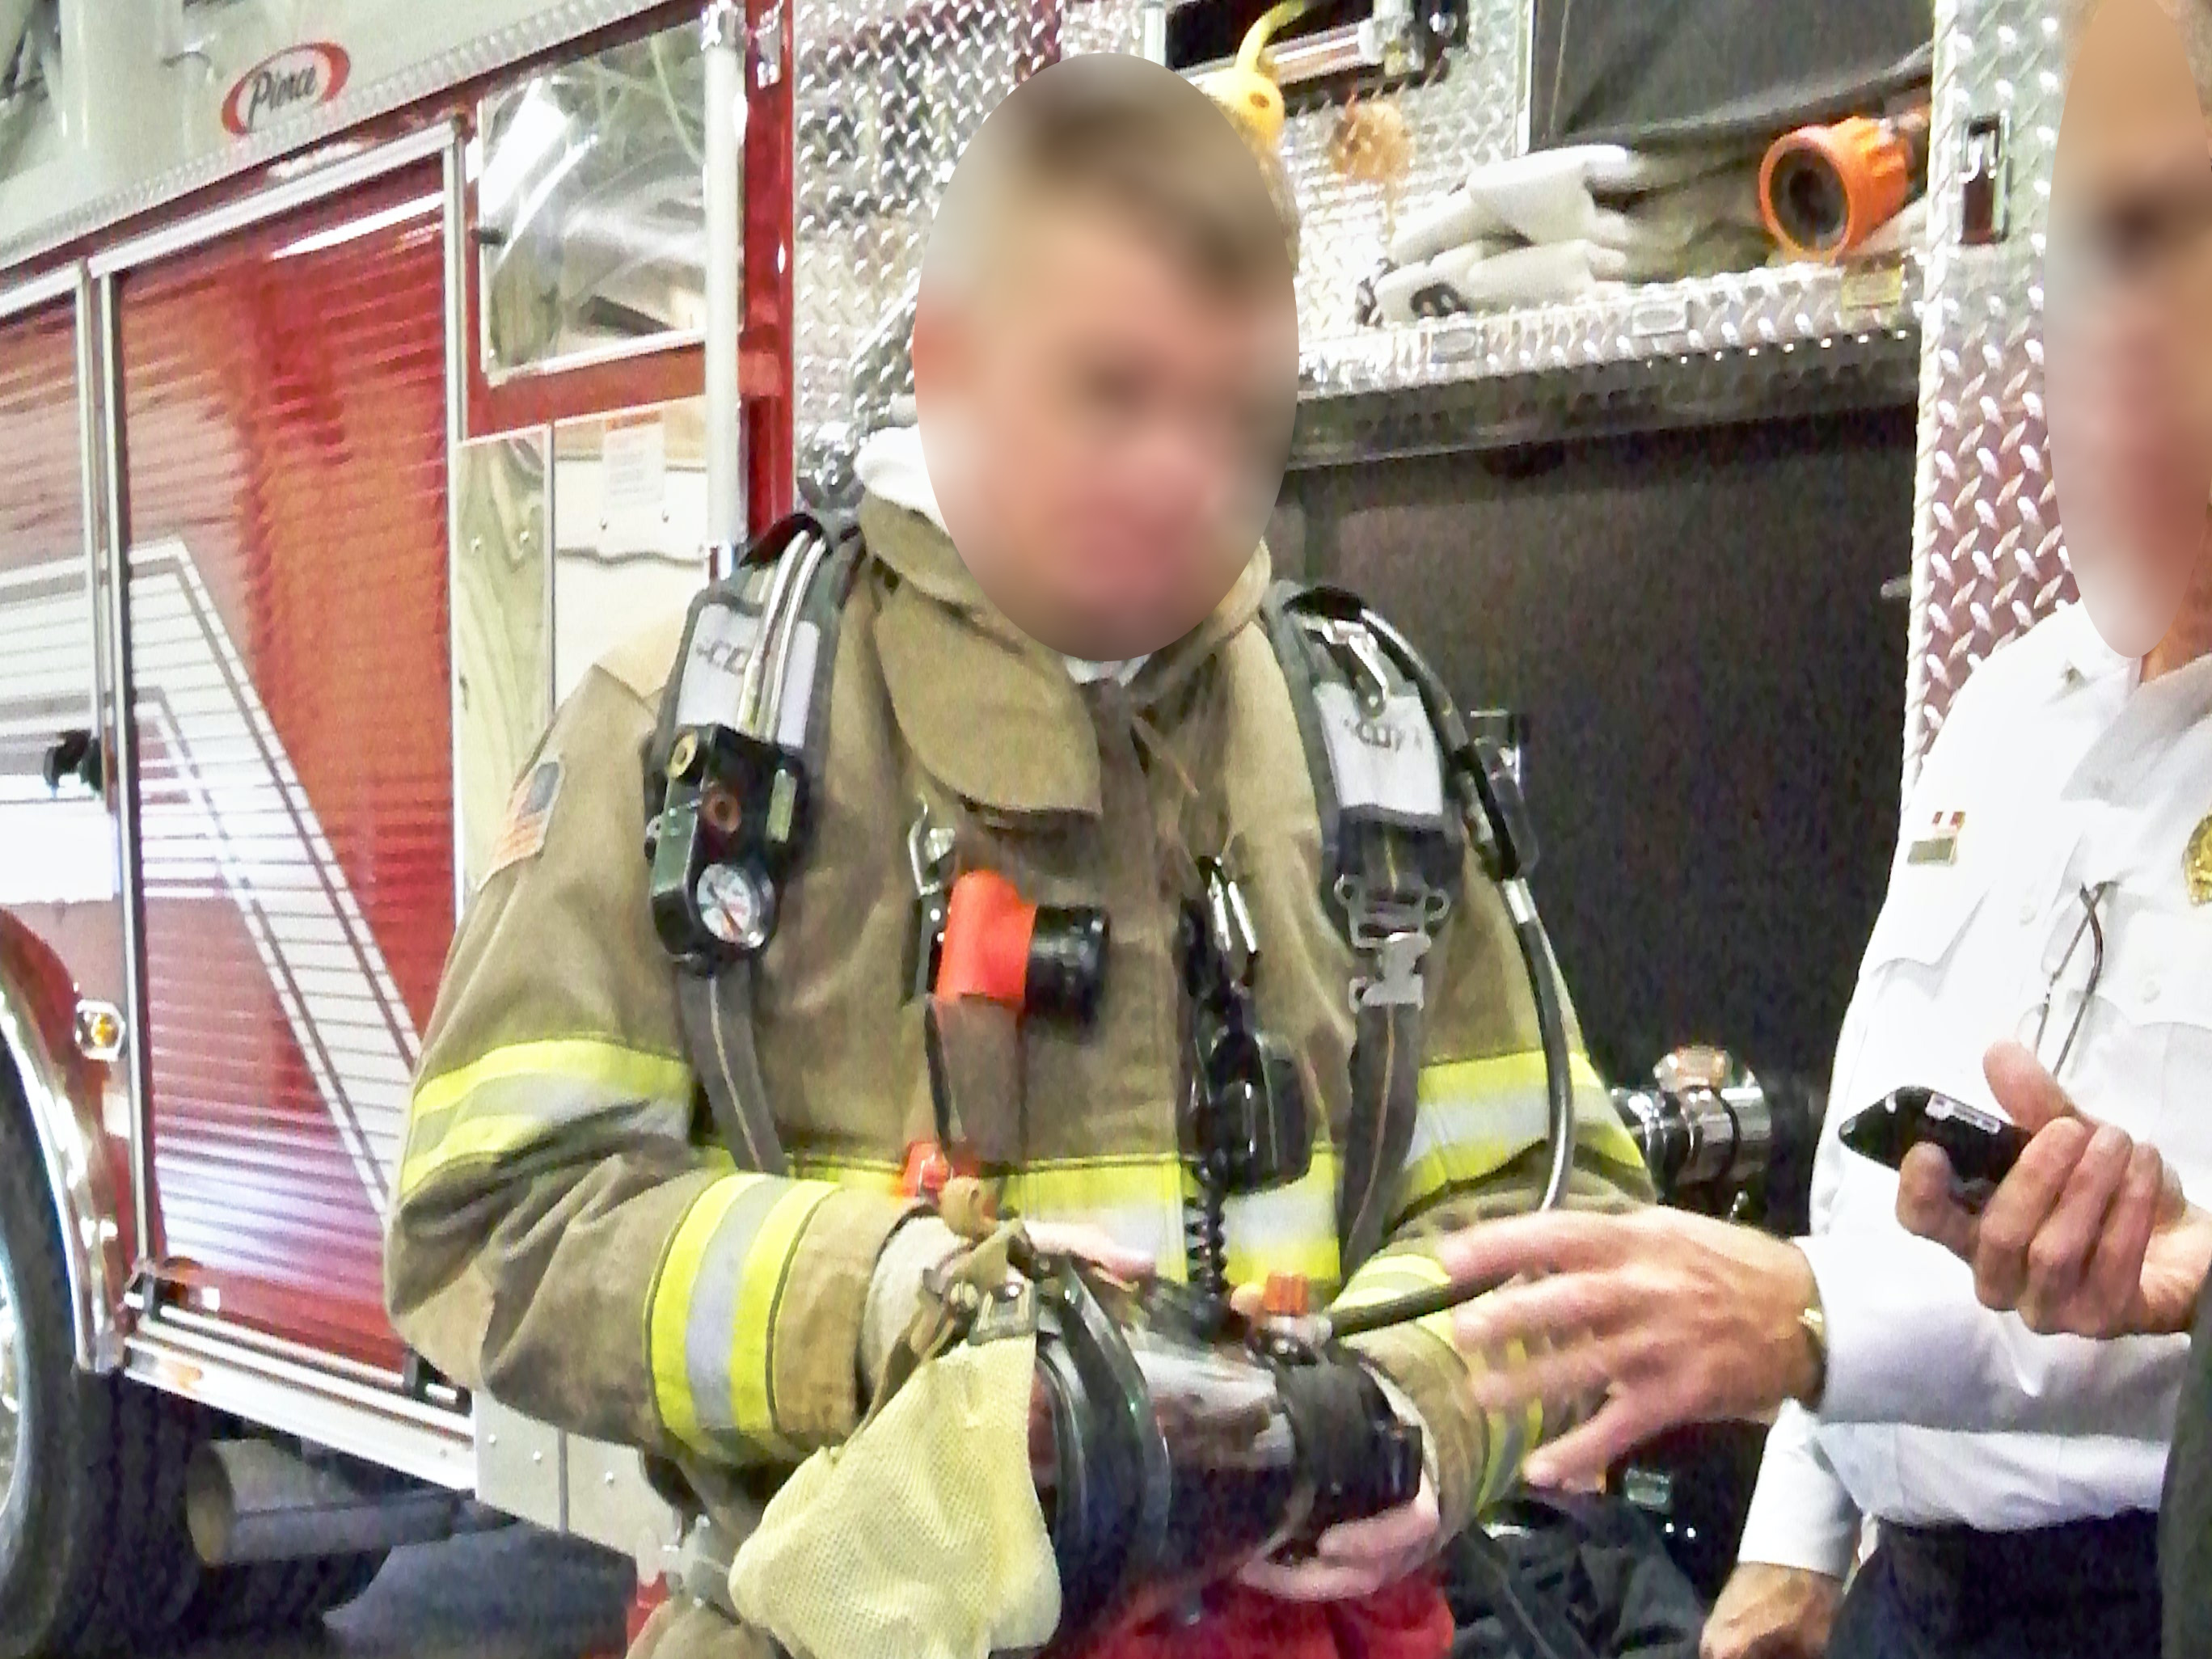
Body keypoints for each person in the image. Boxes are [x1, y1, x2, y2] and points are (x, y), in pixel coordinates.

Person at [383, 57, 1652, 1659]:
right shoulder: (703, 735)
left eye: (1241, 416)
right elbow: (488, 1222)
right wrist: (897, 1300)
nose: (1186, 475)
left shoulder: (1361, 747)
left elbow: (1570, 1210)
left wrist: (1421, 1413)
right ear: (949, 362)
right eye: (1115, 394)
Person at [1433, 4, 2212, 1654]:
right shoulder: (2011, 709)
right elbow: (1879, 1176)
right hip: (1910, 1596)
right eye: (2090, 256)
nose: (2115, 342)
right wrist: (1794, 1541)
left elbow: (2147, 1312)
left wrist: (1802, 1324)